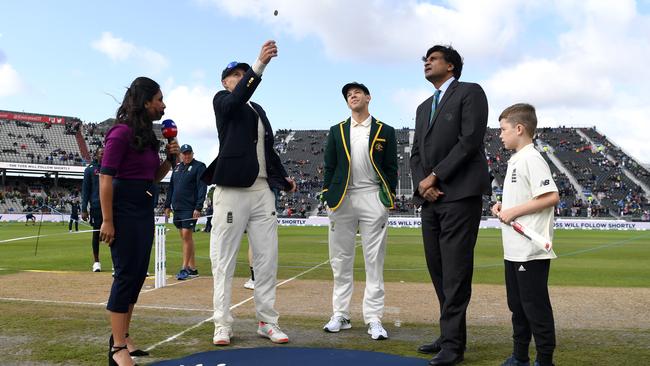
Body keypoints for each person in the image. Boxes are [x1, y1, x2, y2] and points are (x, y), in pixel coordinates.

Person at [201, 40, 297, 346]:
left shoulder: (258, 109)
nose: (242, 78)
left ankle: (267, 321)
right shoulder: (222, 101)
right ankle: (222, 323)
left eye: (245, 74)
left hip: (261, 190)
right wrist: (259, 65)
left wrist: (283, 178)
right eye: (236, 75)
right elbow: (236, 99)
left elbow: (267, 149)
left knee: (267, 259)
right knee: (224, 260)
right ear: (225, 82)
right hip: (231, 190)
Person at [409, 45, 490, 366]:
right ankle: (449, 333)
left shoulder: (470, 93)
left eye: (433, 59)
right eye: (424, 60)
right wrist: (421, 183)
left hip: (459, 195)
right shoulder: (422, 106)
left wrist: (435, 177)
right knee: (438, 270)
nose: (427, 63)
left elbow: (470, 141)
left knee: (456, 272)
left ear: (451, 66)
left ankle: (454, 346)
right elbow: (416, 152)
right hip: (430, 200)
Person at [99, 76, 179, 366]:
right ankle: (117, 348)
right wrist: (108, 220)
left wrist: (169, 162)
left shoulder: (147, 137)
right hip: (123, 211)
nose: (163, 105)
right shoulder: (119, 133)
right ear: (145, 102)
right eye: (159, 99)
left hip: (144, 209)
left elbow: (151, 177)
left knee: (136, 276)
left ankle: (123, 337)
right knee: (125, 276)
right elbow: (106, 177)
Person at [320, 82, 397, 340]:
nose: (352, 96)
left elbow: (391, 168)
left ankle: (374, 318)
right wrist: (327, 195)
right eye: (348, 95)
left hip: (372, 196)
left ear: (368, 97)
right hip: (342, 199)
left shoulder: (386, 130)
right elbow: (329, 166)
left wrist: (389, 194)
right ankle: (340, 314)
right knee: (340, 260)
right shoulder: (337, 130)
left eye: (357, 93)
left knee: (374, 261)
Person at [491, 103, 559, 366]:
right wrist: (502, 208)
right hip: (513, 249)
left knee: (535, 308)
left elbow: (551, 196)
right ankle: (520, 357)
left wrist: (513, 211)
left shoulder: (532, 158)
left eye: (503, 129)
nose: (500, 134)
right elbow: (522, 201)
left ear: (519, 129)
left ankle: (545, 360)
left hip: (530, 251)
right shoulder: (516, 160)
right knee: (517, 307)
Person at [164, 144, 207, 280]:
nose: (187, 156)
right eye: (184, 153)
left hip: (190, 207)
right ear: (181, 155)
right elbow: (171, 187)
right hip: (177, 208)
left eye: (189, 153)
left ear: (193, 154)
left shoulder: (199, 167)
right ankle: (193, 268)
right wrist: (167, 205)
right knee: (185, 237)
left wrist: (198, 207)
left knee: (186, 234)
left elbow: (202, 187)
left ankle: (184, 268)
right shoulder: (177, 168)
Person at [81, 147, 105, 272]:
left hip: (112, 206)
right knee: (96, 234)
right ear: (96, 155)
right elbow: (85, 191)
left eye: (105, 153)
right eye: (101, 153)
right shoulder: (90, 170)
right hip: (96, 206)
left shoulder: (111, 168)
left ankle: (116, 263)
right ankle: (96, 262)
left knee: (115, 234)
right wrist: (84, 208)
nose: (103, 155)